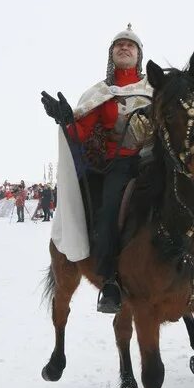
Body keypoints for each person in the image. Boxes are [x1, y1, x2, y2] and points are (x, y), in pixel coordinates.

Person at [41, 24, 153, 313]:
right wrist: (66, 119)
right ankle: (111, 282)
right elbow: (81, 133)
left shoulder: (155, 89)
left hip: (155, 160)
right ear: (111, 54)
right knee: (109, 212)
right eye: (119, 45)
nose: (125, 48)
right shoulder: (99, 94)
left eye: (130, 45)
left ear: (139, 55)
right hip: (120, 163)